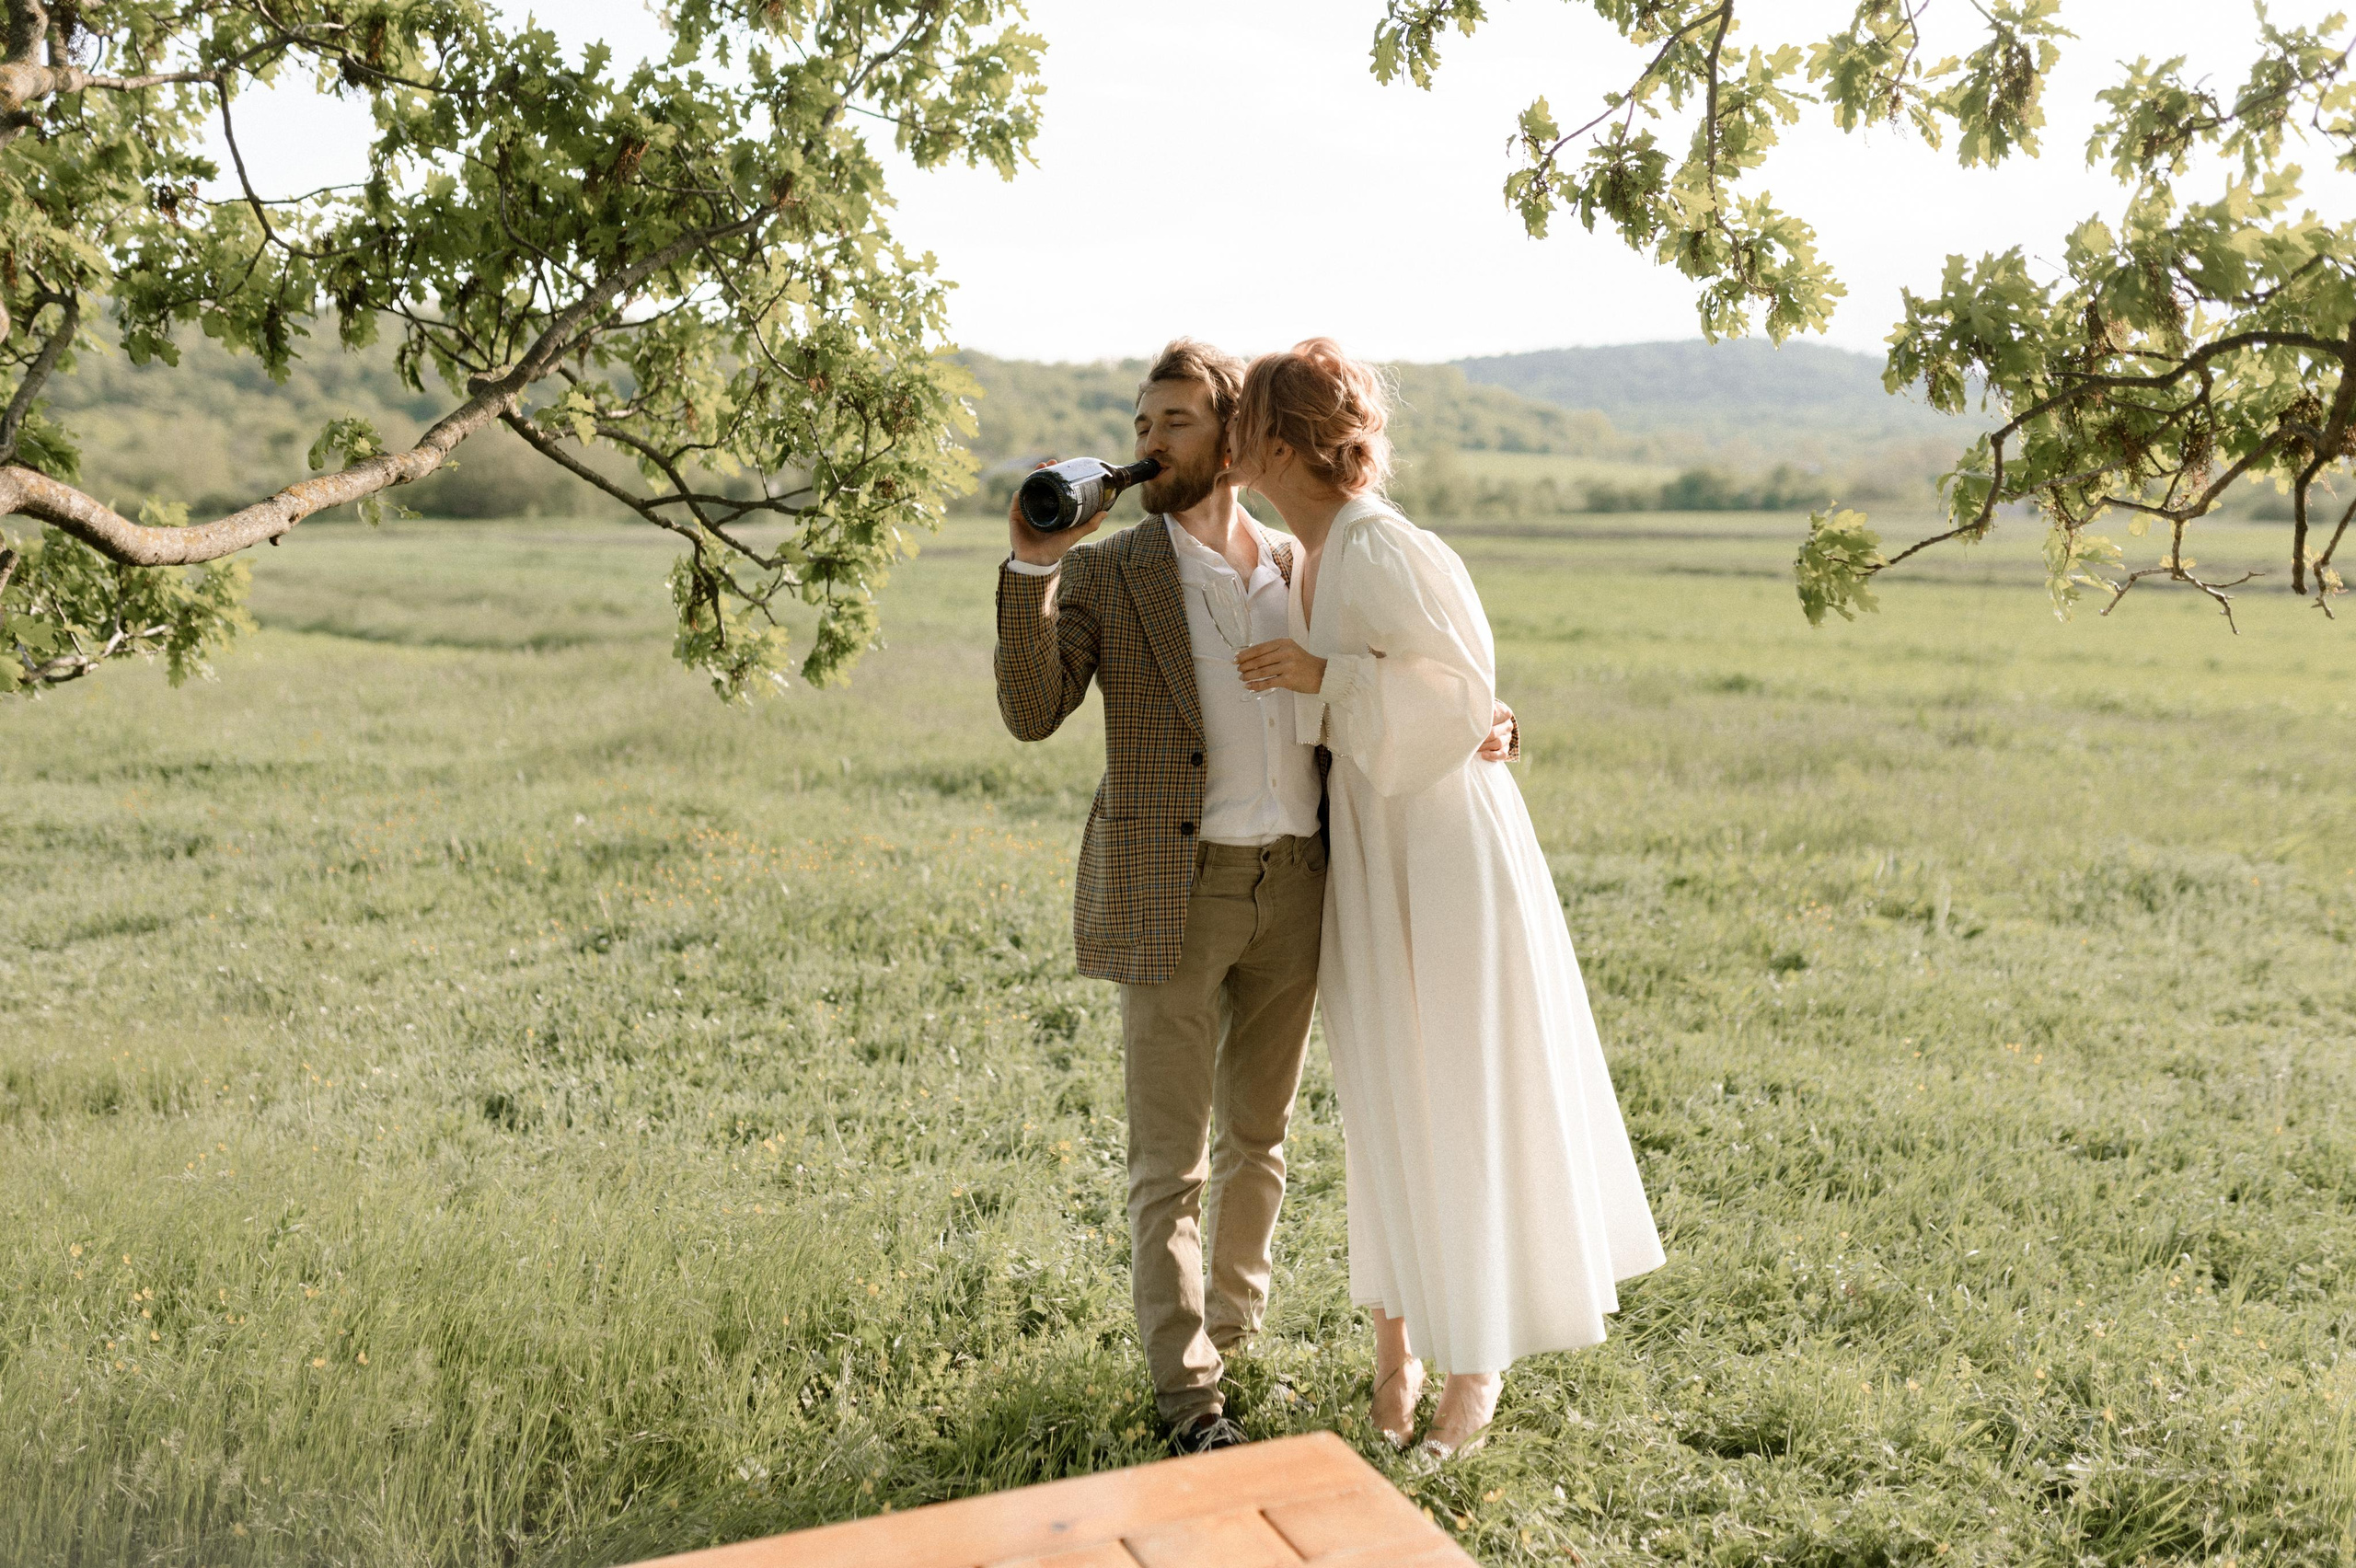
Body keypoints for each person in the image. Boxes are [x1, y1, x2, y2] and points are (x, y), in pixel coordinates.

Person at [993, 339, 1518, 1454]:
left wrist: (1489, 718)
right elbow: (1031, 710)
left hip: (1303, 887)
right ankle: (1190, 1403)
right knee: (1166, 1164)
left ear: (1233, 441)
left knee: (1260, 1139)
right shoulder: (1110, 571)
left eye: (1175, 421)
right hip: (1172, 890)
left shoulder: (1302, 559)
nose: (1148, 442)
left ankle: (1229, 1334)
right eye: (1140, 424)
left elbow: (1409, 665)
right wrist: (1034, 567)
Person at [1228, 339, 1666, 1463]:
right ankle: (1397, 1346)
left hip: (1441, 844)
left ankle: (1476, 1373)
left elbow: (1460, 694)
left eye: (1241, 426)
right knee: (1385, 1086)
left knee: (1455, 1079)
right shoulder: (1307, 553)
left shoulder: (1384, 545)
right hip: (1370, 846)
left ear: (1279, 444)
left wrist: (1327, 682)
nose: (1230, 441)